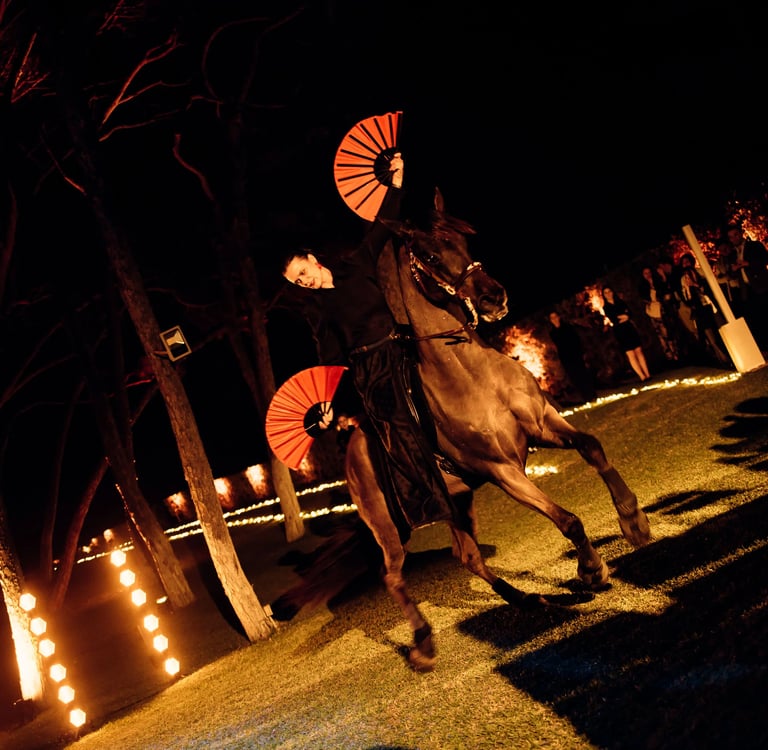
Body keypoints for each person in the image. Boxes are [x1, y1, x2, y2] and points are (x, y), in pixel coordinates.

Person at [279, 153, 456, 539]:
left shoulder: (356, 264)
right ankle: (429, 500)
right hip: (371, 368)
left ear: (312, 259)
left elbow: (380, 228)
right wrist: (325, 404)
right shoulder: (316, 309)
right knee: (394, 422)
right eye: (297, 281)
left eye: (303, 272)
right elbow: (329, 357)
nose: (303, 281)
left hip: (401, 345)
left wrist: (396, 184)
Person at [677, 252, 729, 365]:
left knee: (720, 330)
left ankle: (729, 354)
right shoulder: (683, 279)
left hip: (709, 306)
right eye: (683, 263)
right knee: (710, 336)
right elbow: (686, 297)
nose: (686, 264)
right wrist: (687, 289)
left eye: (687, 262)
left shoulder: (701, 272)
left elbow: (708, 288)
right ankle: (722, 359)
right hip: (699, 309)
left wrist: (695, 284)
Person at [724, 223, 768, 349]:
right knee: (757, 319)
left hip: (762, 285)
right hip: (747, 290)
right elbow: (730, 273)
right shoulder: (733, 254)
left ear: (741, 233)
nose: (734, 239)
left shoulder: (754, 246)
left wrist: (747, 263)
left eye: (736, 235)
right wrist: (733, 269)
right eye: (731, 237)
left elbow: (764, 259)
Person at [600, 285, 651, 382]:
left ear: (612, 292)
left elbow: (629, 314)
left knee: (638, 350)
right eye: (605, 293)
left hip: (629, 328)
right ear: (604, 295)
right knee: (630, 353)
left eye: (609, 291)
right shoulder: (606, 307)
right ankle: (642, 376)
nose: (608, 294)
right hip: (620, 331)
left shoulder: (621, 302)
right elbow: (613, 318)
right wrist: (623, 316)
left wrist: (625, 316)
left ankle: (648, 374)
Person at [547, 310, 598, 404]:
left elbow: (576, 340)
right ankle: (585, 397)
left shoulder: (568, 327)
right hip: (565, 357)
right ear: (550, 320)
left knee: (583, 374)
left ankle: (592, 394)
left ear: (559, 317)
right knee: (574, 377)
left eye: (555, 317)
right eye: (552, 318)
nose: (554, 319)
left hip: (575, 354)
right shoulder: (553, 333)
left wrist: (579, 351)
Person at [637, 265, 679, 363]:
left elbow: (665, 290)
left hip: (664, 310)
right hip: (654, 313)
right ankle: (669, 356)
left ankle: (676, 354)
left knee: (669, 333)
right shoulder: (643, 287)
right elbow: (647, 299)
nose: (648, 275)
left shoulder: (658, 282)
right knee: (661, 335)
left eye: (649, 272)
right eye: (645, 273)